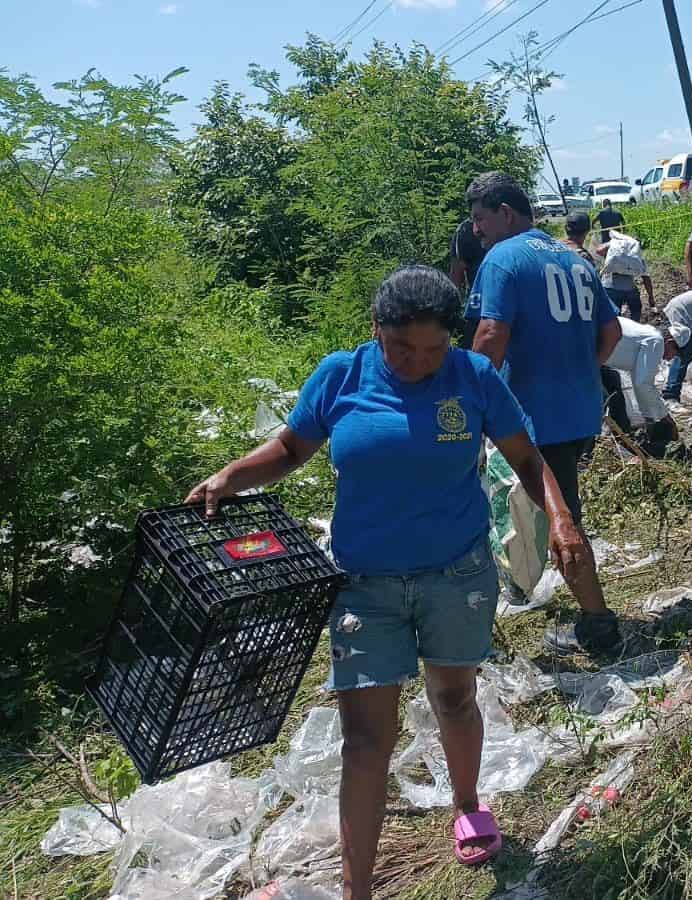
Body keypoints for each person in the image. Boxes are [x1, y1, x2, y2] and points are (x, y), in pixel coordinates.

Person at [187, 266, 566, 899]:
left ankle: (467, 803)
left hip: (457, 575)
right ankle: (356, 888)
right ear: (376, 332)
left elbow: (524, 456)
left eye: (432, 349)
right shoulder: (342, 374)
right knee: (366, 740)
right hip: (366, 584)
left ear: (452, 340)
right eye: (402, 349)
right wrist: (233, 475)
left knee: (454, 699)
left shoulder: (472, 376)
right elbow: (289, 449)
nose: (418, 363)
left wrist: (560, 519)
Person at [466, 171, 625, 657]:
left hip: (533, 417)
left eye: (479, 219)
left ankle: (599, 623)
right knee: (544, 508)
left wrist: (464, 398)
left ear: (505, 213)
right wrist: (580, 371)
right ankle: (509, 588)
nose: (476, 230)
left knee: (561, 518)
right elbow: (612, 332)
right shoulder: (573, 258)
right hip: (577, 410)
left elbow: (491, 335)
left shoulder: (503, 259)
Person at [603, 315, 679, 454]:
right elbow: (643, 384)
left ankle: (623, 440)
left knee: (614, 388)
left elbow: (639, 382)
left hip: (598, 355)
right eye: (676, 352)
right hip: (590, 352)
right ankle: (592, 450)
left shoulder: (648, 335)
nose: (671, 358)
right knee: (609, 397)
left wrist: (649, 417)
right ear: (670, 341)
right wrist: (664, 416)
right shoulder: (656, 342)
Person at [596, 231, 654, 321]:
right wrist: (651, 297)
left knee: (613, 318)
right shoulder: (636, 258)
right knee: (636, 313)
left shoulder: (615, 249)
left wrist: (610, 244)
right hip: (629, 289)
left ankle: (616, 333)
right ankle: (633, 330)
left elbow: (598, 250)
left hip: (610, 288)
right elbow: (646, 277)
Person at [448, 217, 488, 343]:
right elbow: (456, 278)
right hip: (477, 310)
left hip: (479, 311)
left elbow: (455, 278)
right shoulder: (465, 231)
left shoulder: (465, 229)